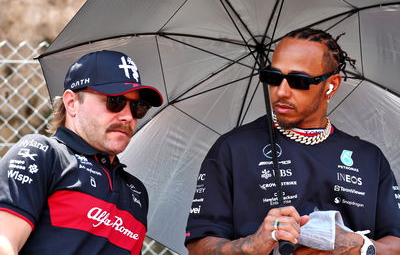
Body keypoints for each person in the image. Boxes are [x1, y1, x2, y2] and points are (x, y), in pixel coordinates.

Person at [185, 28, 400, 254]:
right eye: (273, 77)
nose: (281, 91)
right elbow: (198, 245)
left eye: (299, 80)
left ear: (332, 85)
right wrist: (251, 245)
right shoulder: (233, 148)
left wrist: (360, 246)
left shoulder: (369, 158)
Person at [0, 50, 163, 254]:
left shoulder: (137, 192)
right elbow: (4, 243)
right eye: (115, 101)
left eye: (138, 107)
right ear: (72, 103)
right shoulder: (42, 154)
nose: (127, 116)